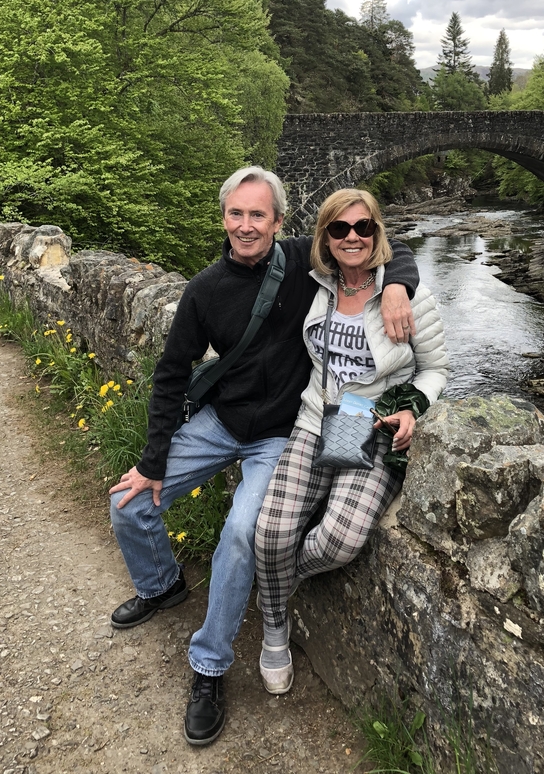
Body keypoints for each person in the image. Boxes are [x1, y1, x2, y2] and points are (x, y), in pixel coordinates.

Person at [108, 167, 421, 747]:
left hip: (281, 433)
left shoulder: (308, 259)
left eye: (259, 215)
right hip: (220, 423)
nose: (246, 226)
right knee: (127, 502)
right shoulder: (204, 289)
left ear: (279, 222)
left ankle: (209, 666)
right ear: (224, 218)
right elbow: (172, 374)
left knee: (239, 534)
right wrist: (153, 461)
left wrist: (399, 283)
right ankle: (162, 585)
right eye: (236, 214)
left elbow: (378, 244)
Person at [254, 188, 448, 695]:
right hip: (318, 420)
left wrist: (413, 407)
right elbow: (253, 242)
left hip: (374, 429)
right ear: (325, 237)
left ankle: (278, 582)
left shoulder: (408, 294)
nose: (353, 237)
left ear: (379, 231)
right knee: (269, 531)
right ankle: (275, 628)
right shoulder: (314, 286)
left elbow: (437, 370)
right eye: (339, 229)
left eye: (364, 227)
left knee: (339, 542)